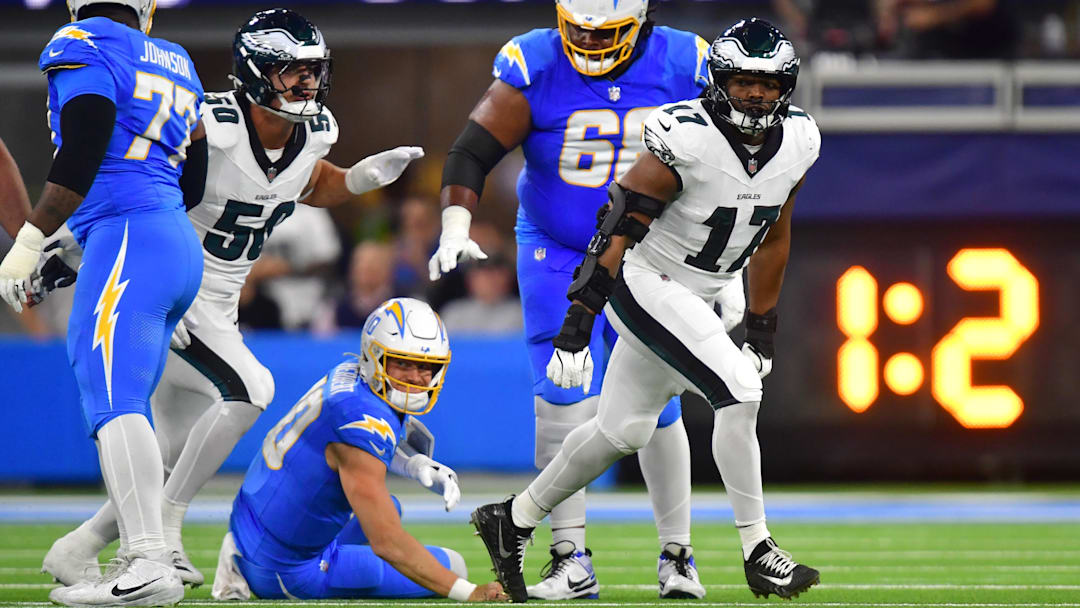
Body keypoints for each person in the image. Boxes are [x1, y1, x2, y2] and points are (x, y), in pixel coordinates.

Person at [36, 7, 425, 590]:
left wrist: (359, 181)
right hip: (170, 288)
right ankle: (165, 529)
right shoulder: (208, 122)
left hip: (221, 307)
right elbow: (136, 183)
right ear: (254, 72)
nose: (308, 83)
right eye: (292, 72)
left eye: (313, 71)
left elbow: (307, 183)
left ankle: (80, 548)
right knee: (251, 389)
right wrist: (67, 248)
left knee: (162, 451)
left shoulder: (316, 132)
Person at [470, 18, 821, 603]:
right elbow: (616, 227)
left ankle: (513, 519)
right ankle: (759, 549)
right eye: (742, 81)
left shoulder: (801, 140)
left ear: (787, 86)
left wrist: (761, 324)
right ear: (717, 81)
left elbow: (776, 233)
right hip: (649, 281)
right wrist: (579, 319)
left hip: (708, 285)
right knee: (739, 390)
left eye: (768, 82)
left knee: (621, 430)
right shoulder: (684, 134)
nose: (756, 94)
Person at [428, 0, 745, 598]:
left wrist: (727, 270)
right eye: (578, 32)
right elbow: (472, 150)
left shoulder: (685, 62)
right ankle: (569, 556)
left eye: (608, 34)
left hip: (654, 252)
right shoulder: (538, 61)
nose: (591, 46)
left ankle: (678, 556)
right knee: (561, 394)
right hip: (559, 247)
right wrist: (454, 224)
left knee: (659, 404)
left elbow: (727, 170)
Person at [0, 1, 206, 605]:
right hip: (168, 239)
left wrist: (32, 236)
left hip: (128, 238)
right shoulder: (176, 56)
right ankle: (147, 553)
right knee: (128, 397)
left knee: (112, 396)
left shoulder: (81, 39)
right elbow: (192, 178)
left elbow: (85, 143)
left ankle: (146, 561)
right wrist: (76, 240)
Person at [208, 297, 506, 602]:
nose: (416, 378)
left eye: (426, 367)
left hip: (253, 525)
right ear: (374, 355)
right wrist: (470, 593)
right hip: (286, 570)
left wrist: (412, 463)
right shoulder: (359, 420)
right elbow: (387, 542)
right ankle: (294, 571)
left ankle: (253, 556)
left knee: (390, 506)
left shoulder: (352, 374)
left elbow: (359, 438)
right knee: (454, 566)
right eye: (402, 363)